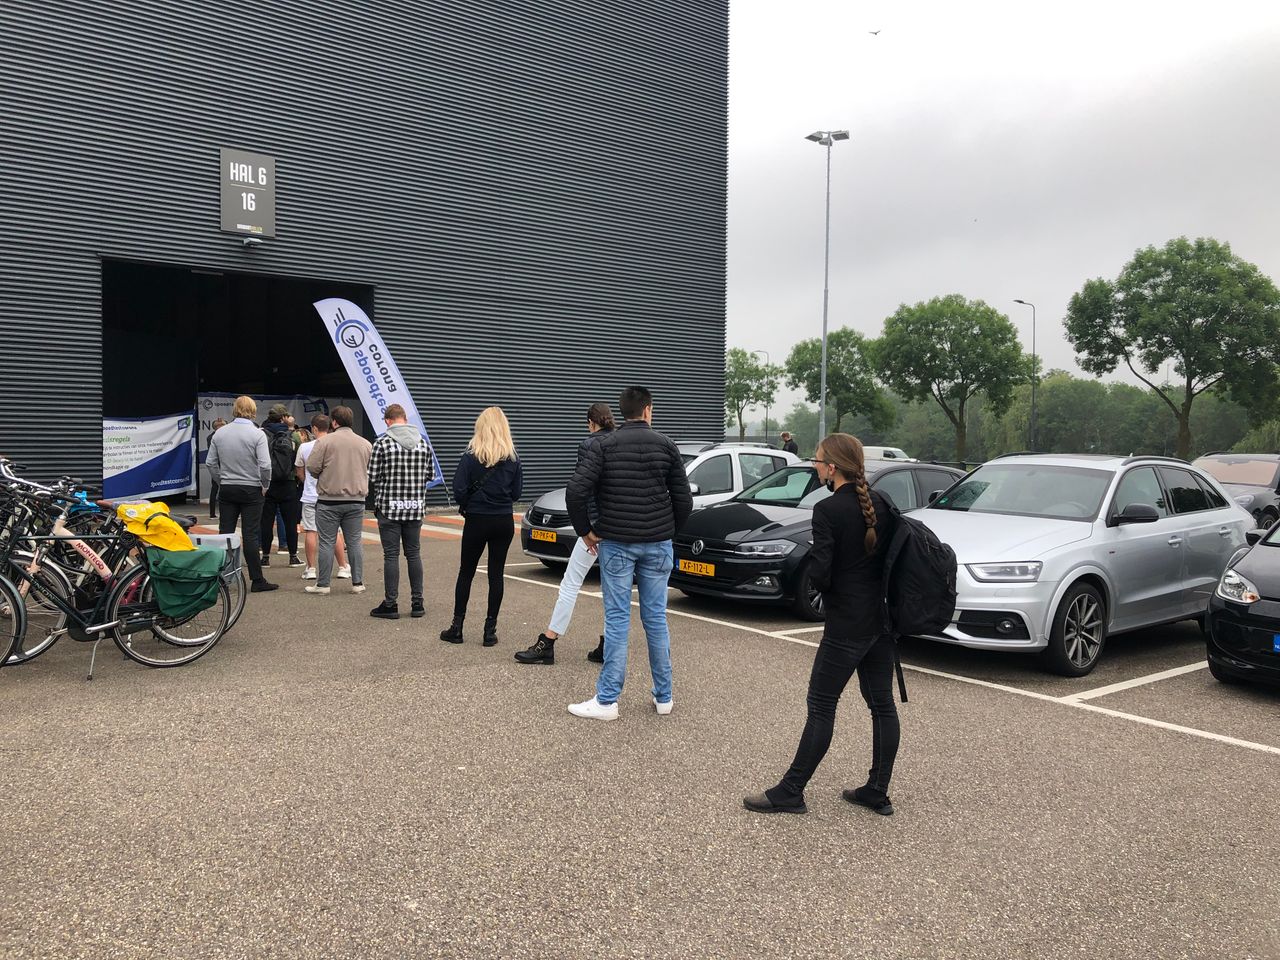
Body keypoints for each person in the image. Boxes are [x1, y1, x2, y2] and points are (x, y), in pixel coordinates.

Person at [743, 433, 900, 817]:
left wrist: (817, 567)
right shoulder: (883, 504)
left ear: (832, 468)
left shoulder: (828, 510)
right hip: (880, 621)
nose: (813, 465)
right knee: (881, 705)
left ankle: (791, 790)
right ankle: (877, 790)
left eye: (817, 460)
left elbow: (823, 574)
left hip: (846, 624)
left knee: (821, 705)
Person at [564, 386, 692, 720]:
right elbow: (684, 500)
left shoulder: (604, 445)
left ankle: (607, 701)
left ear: (622, 413)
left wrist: (586, 531)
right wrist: (668, 530)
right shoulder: (667, 445)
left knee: (618, 618)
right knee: (656, 619)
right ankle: (664, 698)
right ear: (648, 410)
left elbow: (576, 491)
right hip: (658, 543)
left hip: (617, 542)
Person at [515, 402, 616, 665]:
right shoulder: (621, 442)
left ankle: (548, 641)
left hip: (595, 529)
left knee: (571, 583)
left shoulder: (590, 444)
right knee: (612, 589)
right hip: (618, 529)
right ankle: (607, 643)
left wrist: (585, 530)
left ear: (590, 423)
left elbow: (578, 490)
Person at [441, 406, 522, 646]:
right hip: (503, 520)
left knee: (466, 572)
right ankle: (490, 631)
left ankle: (457, 627)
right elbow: (516, 494)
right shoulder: (513, 459)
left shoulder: (470, 457)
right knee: (496, 575)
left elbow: (458, 490)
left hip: (477, 519)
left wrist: (470, 502)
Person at [368, 403, 434, 620]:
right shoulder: (424, 444)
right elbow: (430, 476)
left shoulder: (382, 443)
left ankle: (391, 603)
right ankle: (417, 603)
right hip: (415, 508)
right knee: (414, 553)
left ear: (388, 421)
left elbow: (372, 476)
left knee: (391, 555)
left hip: (389, 508)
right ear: (405, 419)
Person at [205, 396, 277, 592]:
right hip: (251, 488)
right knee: (251, 534)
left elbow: (211, 462)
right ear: (253, 410)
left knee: (225, 533)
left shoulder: (220, 434)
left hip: (228, 487)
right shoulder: (257, 434)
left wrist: (221, 481)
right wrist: (265, 484)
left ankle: (223, 578)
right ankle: (257, 579)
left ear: (234, 410)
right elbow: (265, 464)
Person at [305, 405, 372, 596]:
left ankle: (323, 584)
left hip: (328, 499)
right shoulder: (365, 443)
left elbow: (312, 467)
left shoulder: (325, 442)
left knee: (326, 541)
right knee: (354, 541)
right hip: (356, 500)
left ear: (334, 422)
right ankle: (357, 582)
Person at [295, 414, 351, 582]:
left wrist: (307, 482)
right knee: (335, 532)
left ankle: (311, 569)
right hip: (332, 495)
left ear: (314, 428)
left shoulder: (304, 447)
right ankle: (342, 567)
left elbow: (299, 470)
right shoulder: (337, 445)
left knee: (311, 531)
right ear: (331, 426)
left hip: (310, 496)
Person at [260, 404, 303, 568]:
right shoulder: (294, 436)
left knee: (266, 522)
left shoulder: (262, 434)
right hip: (289, 483)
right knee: (290, 522)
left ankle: (265, 557)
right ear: (284, 417)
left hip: (268, 483)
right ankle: (293, 556)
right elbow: (299, 459)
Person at [207, 418, 227, 518]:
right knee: (215, 488)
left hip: (221, 465)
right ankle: (212, 513)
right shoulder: (212, 437)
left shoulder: (211, 437)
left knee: (216, 489)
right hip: (219, 466)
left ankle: (213, 513)